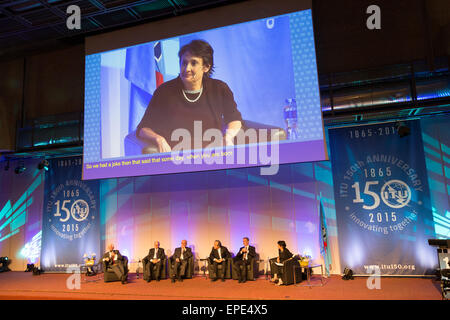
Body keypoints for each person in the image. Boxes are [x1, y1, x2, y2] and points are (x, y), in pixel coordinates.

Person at [136, 39, 243, 153]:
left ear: (206, 67)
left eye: (193, 63)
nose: (187, 69)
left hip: (212, 157)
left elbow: (234, 119)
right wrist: (159, 139)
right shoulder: (164, 92)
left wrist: (228, 136)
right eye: (184, 63)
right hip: (176, 158)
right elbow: (143, 128)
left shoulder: (219, 88)